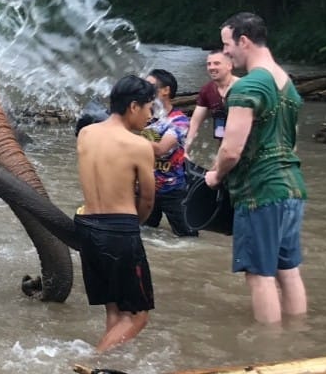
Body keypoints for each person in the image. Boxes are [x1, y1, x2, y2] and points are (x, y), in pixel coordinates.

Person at [205, 12, 308, 324]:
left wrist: (215, 174)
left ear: (244, 41)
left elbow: (231, 150)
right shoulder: (286, 83)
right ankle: (296, 342)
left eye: (227, 45)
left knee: (258, 275)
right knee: (287, 270)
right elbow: (292, 144)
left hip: (259, 192)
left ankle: (269, 352)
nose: (226, 53)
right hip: (292, 188)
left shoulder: (248, 86)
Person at [74, 75, 157, 352]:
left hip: (86, 226)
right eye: (149, 108)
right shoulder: (139, 146)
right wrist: (134, 226)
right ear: (134, 106)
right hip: (119, 230)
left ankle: (110, 365)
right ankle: (95, 363)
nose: (151, 115)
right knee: (137, 316)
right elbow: (147, 199)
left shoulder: (86, 133)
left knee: (115, 311)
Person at [141, 69, 197, 237]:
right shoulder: (141, 116)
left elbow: (161, 149)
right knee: (145, 233)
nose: (144, 90)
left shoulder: (179, 120)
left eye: (149, 85)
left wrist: (127, 138)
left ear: (166, 90)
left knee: (188, 238)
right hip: (145, 187)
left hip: (172, 189)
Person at [184, 50, 238, 160]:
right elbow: (195, 121)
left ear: (229, 66)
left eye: (217, 63)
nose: (211, 67)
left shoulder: (244, 87)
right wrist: (185, 149)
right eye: (209, 64)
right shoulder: (207, 90)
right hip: (223, 145)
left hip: (248, 145)